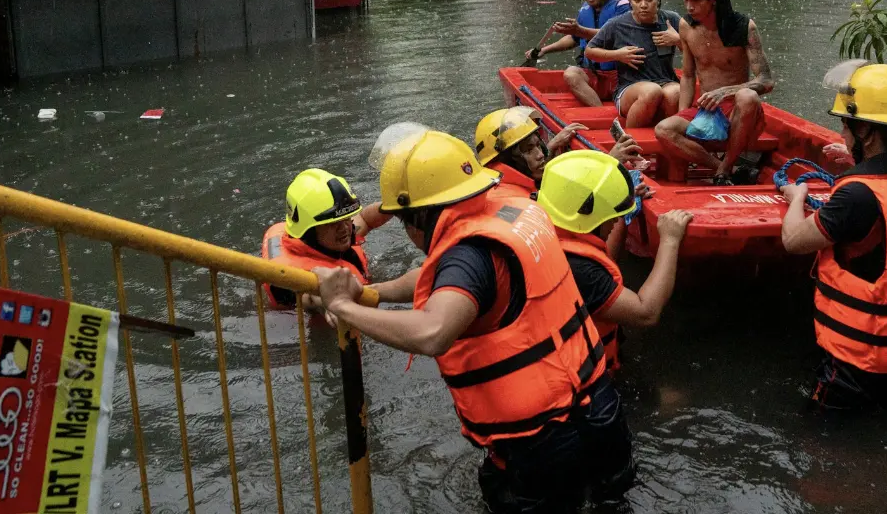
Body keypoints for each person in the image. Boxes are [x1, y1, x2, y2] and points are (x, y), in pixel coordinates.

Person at [313, 126, 635, 513]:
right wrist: (375, 293)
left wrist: (343, 307)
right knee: (610, 502)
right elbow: (442, 279)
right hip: (599, 407)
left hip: (543, 440)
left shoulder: (469, 254)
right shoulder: (512, 209)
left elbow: (433, 332)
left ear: (420, 216)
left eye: (404, 221)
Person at [776, 61, 887, 411]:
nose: (842, 133)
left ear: (866, 131)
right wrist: (858, 163)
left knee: (818, 437)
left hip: (857, 368)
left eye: (845, 125)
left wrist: (796, 197)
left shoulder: (857, 197)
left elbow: (793, 240)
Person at [536, 150, 693, 375]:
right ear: (588, 216)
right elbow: (645, 312)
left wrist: (620, 204)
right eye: (612, 216)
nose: (616, 220)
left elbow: (604, 255)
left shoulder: (550, 228)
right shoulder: (580, 269)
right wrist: (670, 239)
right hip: (581, 380)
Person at [654, 0, 776, 185]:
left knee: (748, 96)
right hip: (705, 110)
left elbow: (766, 80)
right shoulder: (686, 26)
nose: (689, 7)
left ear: (713, 0)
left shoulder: (744, 27)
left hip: (738, 113)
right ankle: (726, 168)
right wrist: (683, 115)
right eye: (686, 0)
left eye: (696, 0)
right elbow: (688, 76)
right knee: (663, 129)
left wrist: (725, 92)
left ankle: (725, 167)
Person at [474, 106, 643, 198]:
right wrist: (611, 162)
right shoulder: (516, 199)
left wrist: (552, 145)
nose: (540, 154)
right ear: (506, 160)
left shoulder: (502, 181)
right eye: (529, 150)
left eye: (538, 145)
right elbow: (573, 205)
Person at [262, 168, 369, 311]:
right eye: (332, 224)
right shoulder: (288, 280)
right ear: (309, 232)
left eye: (346, 218)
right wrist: (330, 300)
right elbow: (309, 298)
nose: (344, 228)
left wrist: (390, 207)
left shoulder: (330, 238)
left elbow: (366, 219)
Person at [524, 0, 630, 107]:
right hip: (594, 75)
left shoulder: (623, 7)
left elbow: (614, 34)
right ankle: (599, 111)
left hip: (621, 77)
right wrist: (544, 50)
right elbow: (574, 38)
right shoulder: (585, 10)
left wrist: (579, 30)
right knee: (571, 73)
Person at [584, 0, 683, 128]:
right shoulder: (617, 24)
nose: (643, 5)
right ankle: (630, 137)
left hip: (666, 81)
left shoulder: (672, 19)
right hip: (629, 88)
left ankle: (667, 133)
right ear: (630, 1)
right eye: (637, 0)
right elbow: (589, 51)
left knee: (676, 92)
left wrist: (678, 40)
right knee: (651, 91)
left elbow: (697, 53)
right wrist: (618, 55)